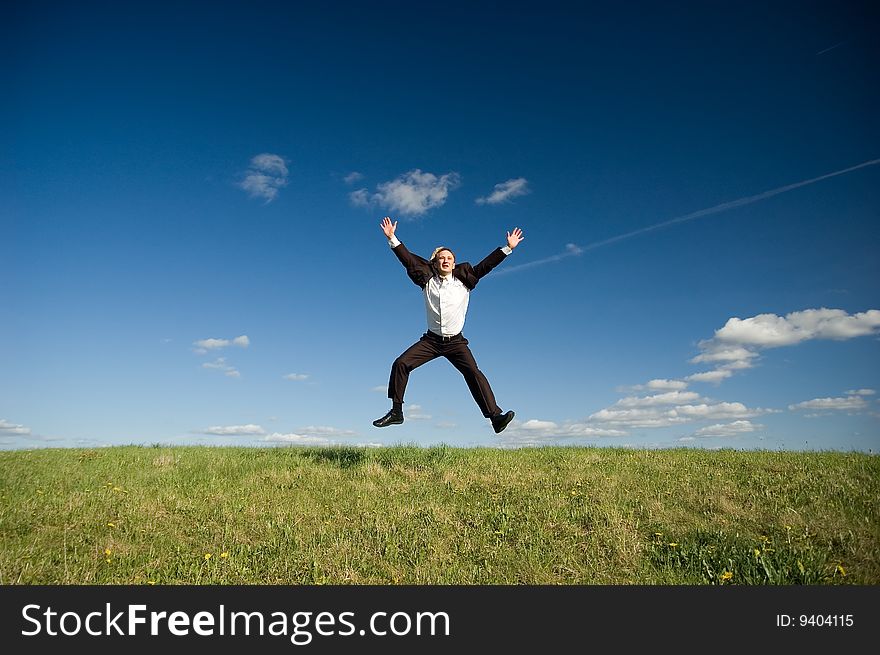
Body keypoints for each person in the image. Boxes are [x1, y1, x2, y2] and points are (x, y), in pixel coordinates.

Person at [373, 216, 524, 434]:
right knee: (401, 364)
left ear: (454, 263)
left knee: (474, 373)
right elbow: (408, 260)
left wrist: (507, 248)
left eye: (450, 258)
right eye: (442, 258)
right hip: (431, 341)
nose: (446, 260)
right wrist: (392, 238)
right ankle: (396, 412)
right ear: (435, 263)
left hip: (456, 342)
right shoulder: (427, 281)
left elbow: (486, 265)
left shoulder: (465, 280)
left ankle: (495, 418)